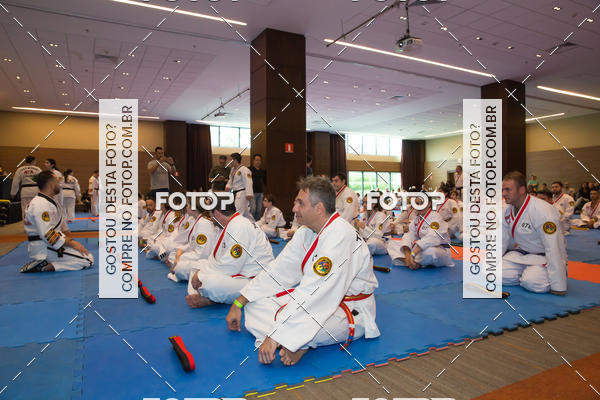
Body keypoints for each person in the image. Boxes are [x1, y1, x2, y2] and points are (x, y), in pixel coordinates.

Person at [226, 176, 379, 366]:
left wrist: (274, 336)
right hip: (320, 298)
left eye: (300, 203)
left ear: (318, 208)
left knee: (309, 324)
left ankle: (297, 342)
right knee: (255, 304)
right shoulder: (306, 232)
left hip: (350, 309)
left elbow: (316, 293)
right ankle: (292, 341)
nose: (293, 209)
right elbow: (278, 271)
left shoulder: (340, 235)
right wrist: (239, 302)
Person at [186, 197, 274, 308]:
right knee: (197, 266)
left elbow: (231, 267)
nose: (210, 218)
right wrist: (201, 272)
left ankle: (211, 298)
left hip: (254, 280)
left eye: (210, 213)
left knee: (210, 284)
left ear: (217, 213)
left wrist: (201, 275)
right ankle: (205, 296)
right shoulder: (229, 226)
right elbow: (216, 259)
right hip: (240, 273)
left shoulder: (239, 226)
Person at [502, 172, 567, 295]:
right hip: (522, 254)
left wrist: (558, 285)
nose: (504, 193)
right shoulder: (507, 210)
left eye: (508, 190)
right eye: (503, 190)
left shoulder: (543, 211)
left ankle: (545, 274)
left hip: (545, 256)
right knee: (492, 273)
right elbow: (501, 240)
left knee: (531, 282)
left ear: (521, 190)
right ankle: (529, 272)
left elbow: (554, 247)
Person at [20, 171, 94, 273]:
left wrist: (69, 240)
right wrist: (72, 244)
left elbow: (53, 229)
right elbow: (47, 233)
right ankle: (44, 266)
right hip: (44, 247)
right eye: (57, 182)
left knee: (86, 254)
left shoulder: (43, 201)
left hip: (50, 243)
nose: (59, 185)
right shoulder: (40, 205)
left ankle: (45, 264)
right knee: (87, 260)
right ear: (51, 184)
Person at [386, 195, 454, 269]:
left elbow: (433, 238)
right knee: (391, 243)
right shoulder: (417, 219)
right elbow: (408, 235)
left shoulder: (436, 218)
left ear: (429, 204)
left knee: (430, 252)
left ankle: (415, 262)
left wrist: (413, 253)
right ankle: (410, 261)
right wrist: (408, 255)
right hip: (421, 248)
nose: (419, 206)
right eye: (417, 204)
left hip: (440, 250)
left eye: (422, 203)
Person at [167, 200, 219, 282]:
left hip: (205, 260)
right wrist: (181, 251)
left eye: (188, 205)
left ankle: (177, 269)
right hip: (198, 256)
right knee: (173, 254)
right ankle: (176, 267)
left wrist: (181, 257)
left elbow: (202, 254)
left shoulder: (203, 224)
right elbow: (192, 243)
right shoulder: (198, 221)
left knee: (180, 267)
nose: (186, 207)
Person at [225, 152, 254, 221]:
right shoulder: (232, 170)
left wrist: (249, 193)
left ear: (235, 160)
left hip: (242, 193)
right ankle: (253, 225)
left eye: (231, 160)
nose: (229, 162)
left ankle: (236, 225)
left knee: (237, 212)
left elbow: (248, 181)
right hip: (235, 193)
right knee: (246, 214)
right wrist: (228, 186)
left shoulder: (244, 169)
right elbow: (231, 180)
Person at [249, 154, 267, 221]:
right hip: (252, 192)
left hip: (260, 192)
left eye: (259, 160)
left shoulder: (263, 171)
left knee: (259, 210)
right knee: (253, 209)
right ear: (253, 161)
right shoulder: (249, 169)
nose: (258, 162)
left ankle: (256, 223)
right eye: (256, 160)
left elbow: (265, 182)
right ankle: (251, 222)